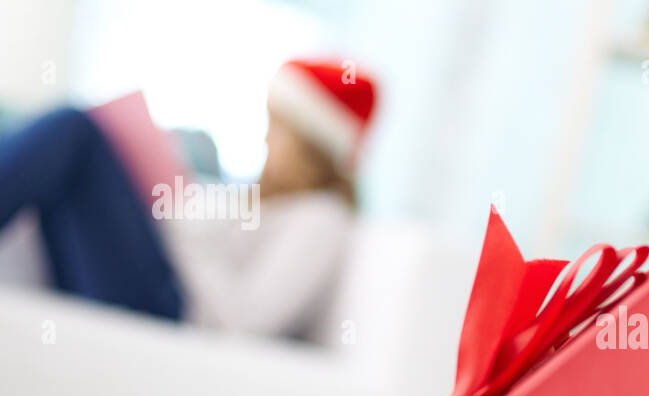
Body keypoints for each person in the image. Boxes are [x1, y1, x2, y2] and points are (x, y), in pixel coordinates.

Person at [0, 59, 377, 340]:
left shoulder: (322, 219)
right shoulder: (272, 200)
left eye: (277, 130)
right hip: (163, 291)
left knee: (75, 132)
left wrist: (196, 235)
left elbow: (244, 324)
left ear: (310, 145)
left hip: (173, 315)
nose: (265, 141)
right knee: (73, 143)